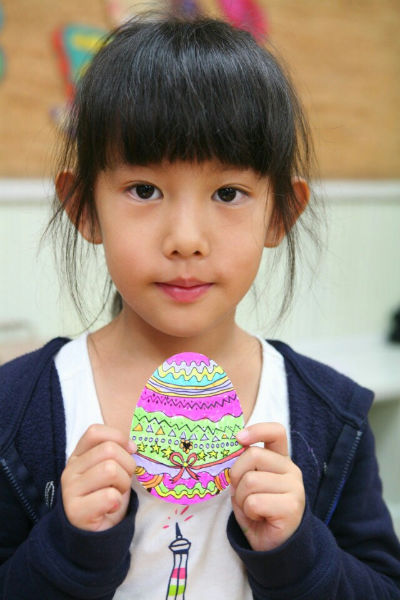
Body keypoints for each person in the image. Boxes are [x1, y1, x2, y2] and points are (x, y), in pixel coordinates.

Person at [0, 13, 399, 600]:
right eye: (144, 190)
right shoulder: (15, 409)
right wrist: (67, 547)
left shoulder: (333, 418)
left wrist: (297, 549)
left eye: (228, 193)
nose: (186, 239)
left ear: (280, 214)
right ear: (83, 207)